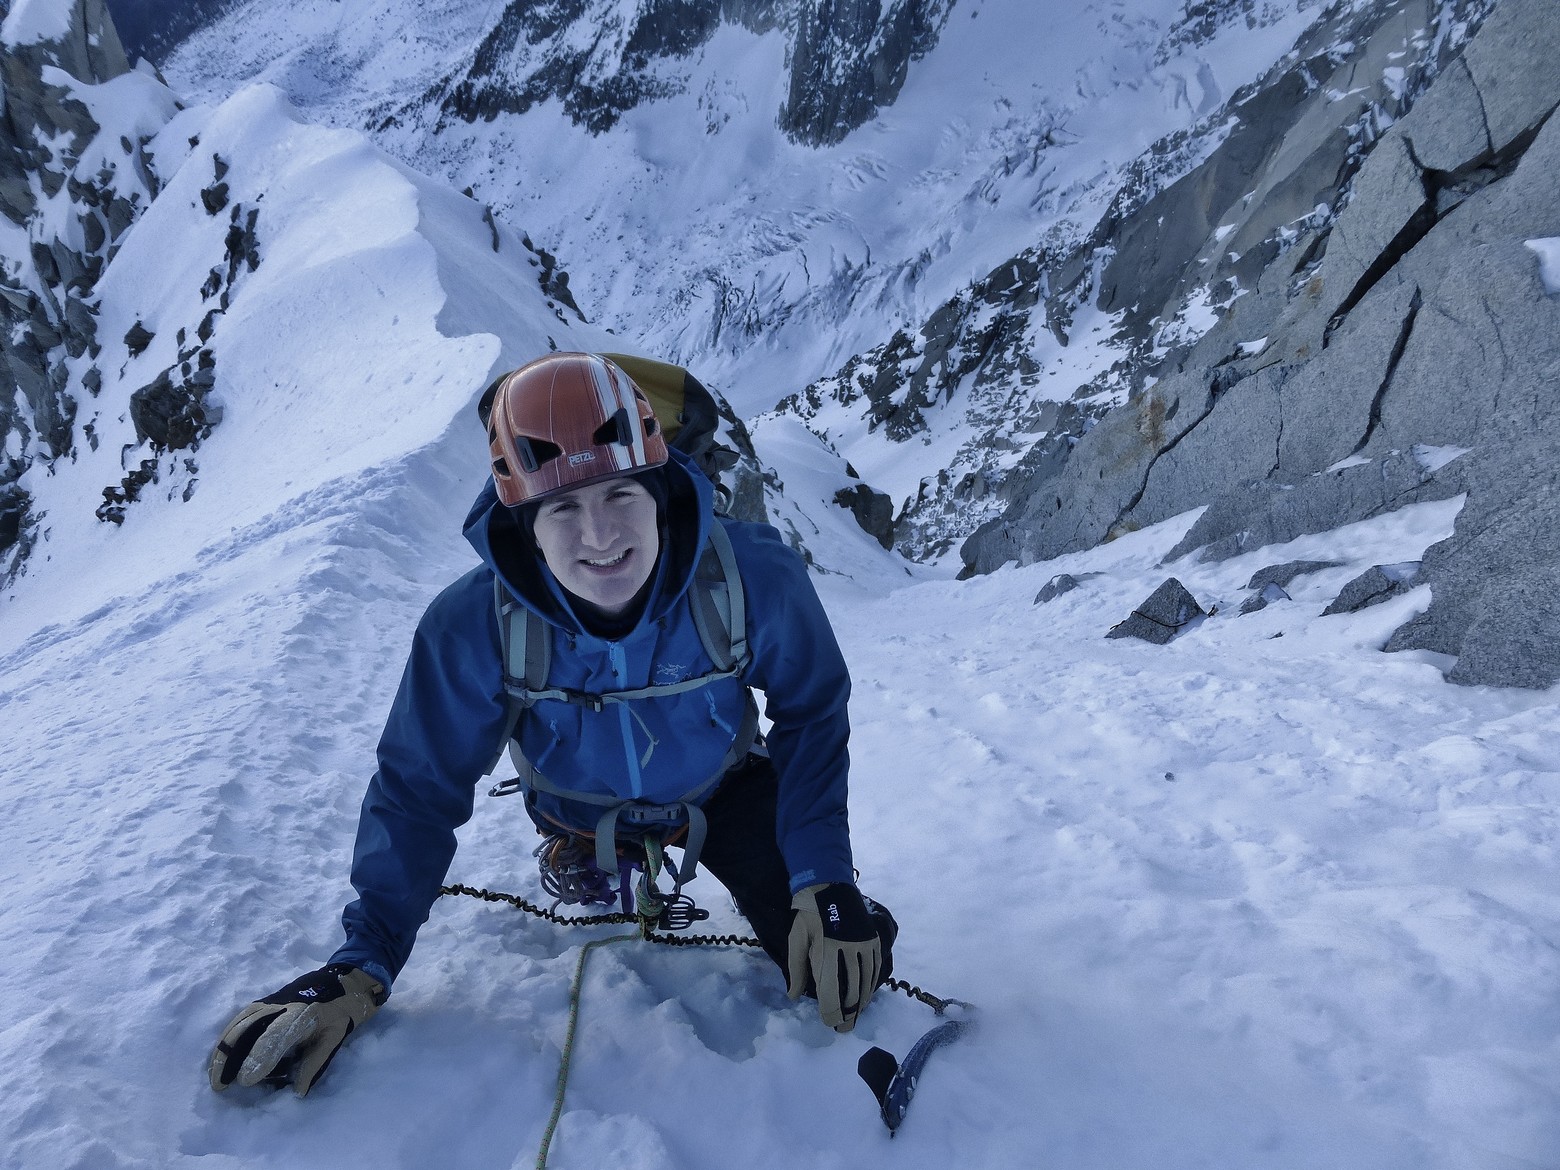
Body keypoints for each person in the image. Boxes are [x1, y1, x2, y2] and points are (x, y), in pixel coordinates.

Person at [209, 351, 897, 1097]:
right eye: (562, 508)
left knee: (840, 965)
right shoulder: (472, 625)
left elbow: (810, 711)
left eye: (619, 494)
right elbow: (419, 787)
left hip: (720, 792)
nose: (599, 536)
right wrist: (361, 961)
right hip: (576, 806)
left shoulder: (750, 577)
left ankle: (671, 862)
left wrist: (824, 876)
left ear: (660, 491)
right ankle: (592, 850)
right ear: (525, 523)